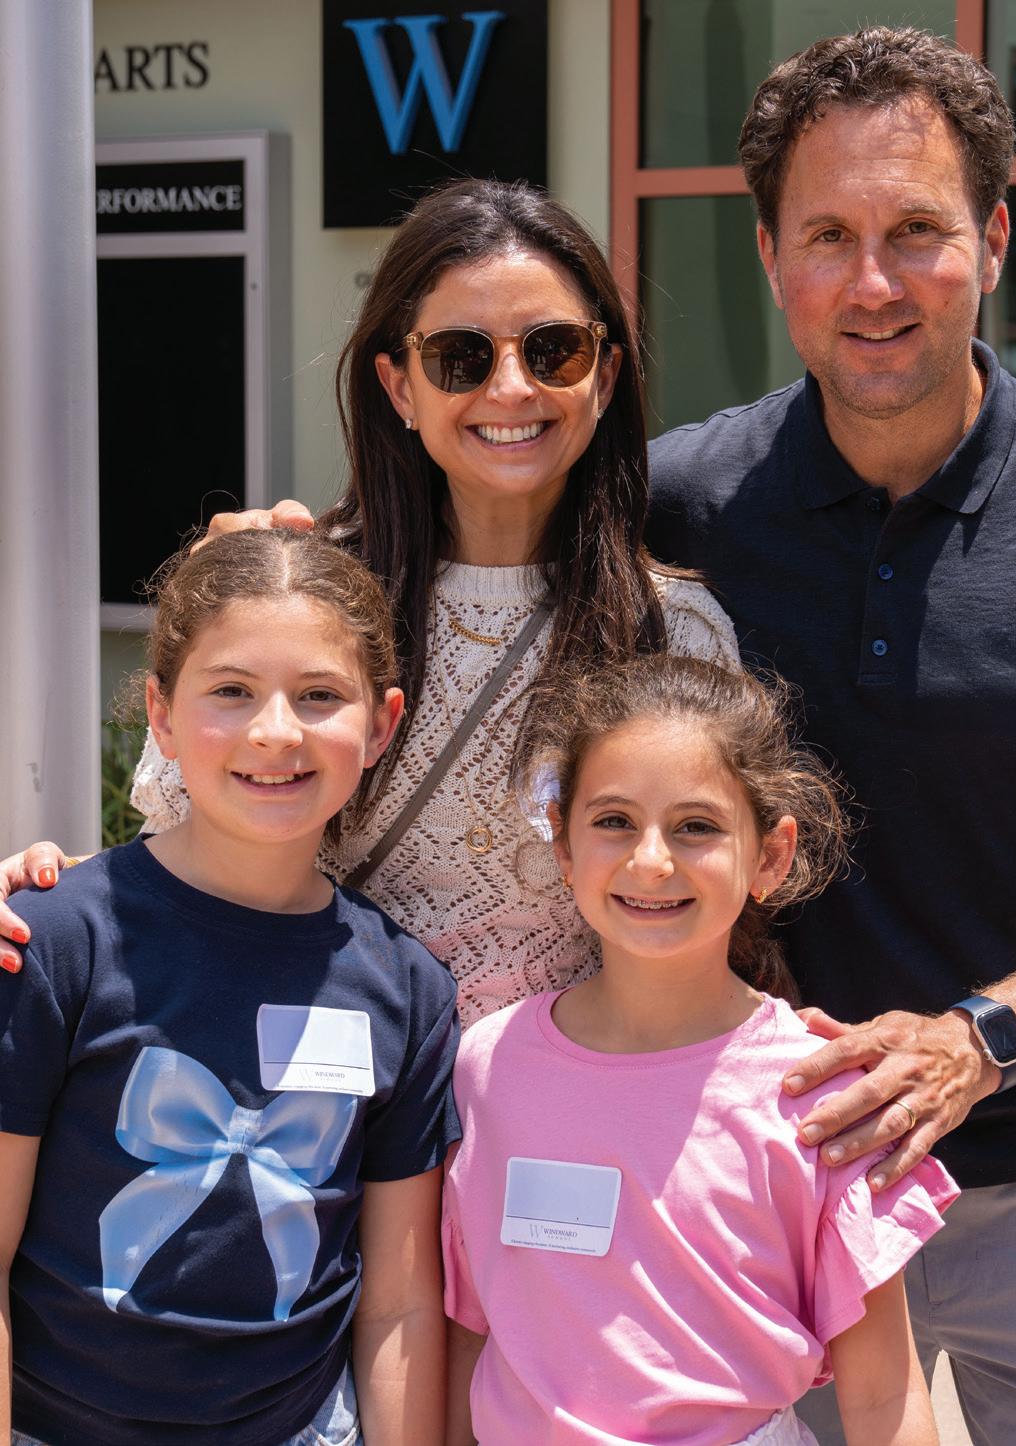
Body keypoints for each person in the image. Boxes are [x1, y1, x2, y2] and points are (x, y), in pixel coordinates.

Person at [644, 26, 1016, 1443]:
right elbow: (447, 596)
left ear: (992, 241)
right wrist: (287, 548)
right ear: (769, 257)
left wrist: (982, 1040)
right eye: (828, 237)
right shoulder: (678, 503)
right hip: (762, 1179)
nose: (873, 284)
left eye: (915, 230)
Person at [0, 179, 738, 1024]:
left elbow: (719, 911)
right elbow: (181, 856)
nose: (511, 388)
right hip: (299, 1077)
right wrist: (48, 904)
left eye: (554, 351)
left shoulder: (675, 633)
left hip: (556, 1093)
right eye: (460, 356)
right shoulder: (299, 598)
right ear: (399, 386)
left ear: (604, 377)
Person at [0, 528, 460, 1445]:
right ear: (161, 714)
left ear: (382, 724)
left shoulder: (408, 990)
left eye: (320, 695)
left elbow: (401, 1304)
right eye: (232, 691)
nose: (275, 731)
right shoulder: (54, 943)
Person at [443, 655, 955, 1446]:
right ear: (564, 845)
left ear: (771, 856)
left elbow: (884, 1394)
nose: (651, 860)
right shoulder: (489, 1065)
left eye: (697, 827)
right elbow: (472, 1334)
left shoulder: (823, 1092)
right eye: (614, 821)